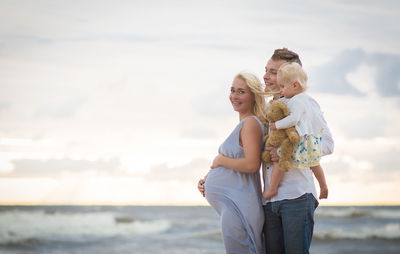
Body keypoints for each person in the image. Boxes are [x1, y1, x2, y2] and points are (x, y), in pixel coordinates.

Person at [262, 48, 334, 254]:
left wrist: (290, 154)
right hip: (269, 201)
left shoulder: (305, 103)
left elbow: (328, 144)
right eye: (266, 70)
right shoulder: (270, 108)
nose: (267, 76)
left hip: (297, 198)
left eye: (274, 72)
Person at [198, 72, 267, 254]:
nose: (234, 96)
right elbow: (237, 161)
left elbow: (251, 164)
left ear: (254, 96)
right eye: (232, 90)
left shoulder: (251, 123)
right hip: (233, 205)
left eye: (241, 92)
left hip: (239, 206)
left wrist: (220, 160)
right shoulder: (244, 123)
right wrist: (208, 179)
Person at [262, 62, 329, 201]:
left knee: (282, 155)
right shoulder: (297, 99)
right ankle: (323, 186)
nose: (280, 90)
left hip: (301, 136)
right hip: (305, 137)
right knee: (315, 164)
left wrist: (277, 125)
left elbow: (293, 119)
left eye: (282, 87)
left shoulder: (298, 101)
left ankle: (273, 187)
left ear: (295, 85)